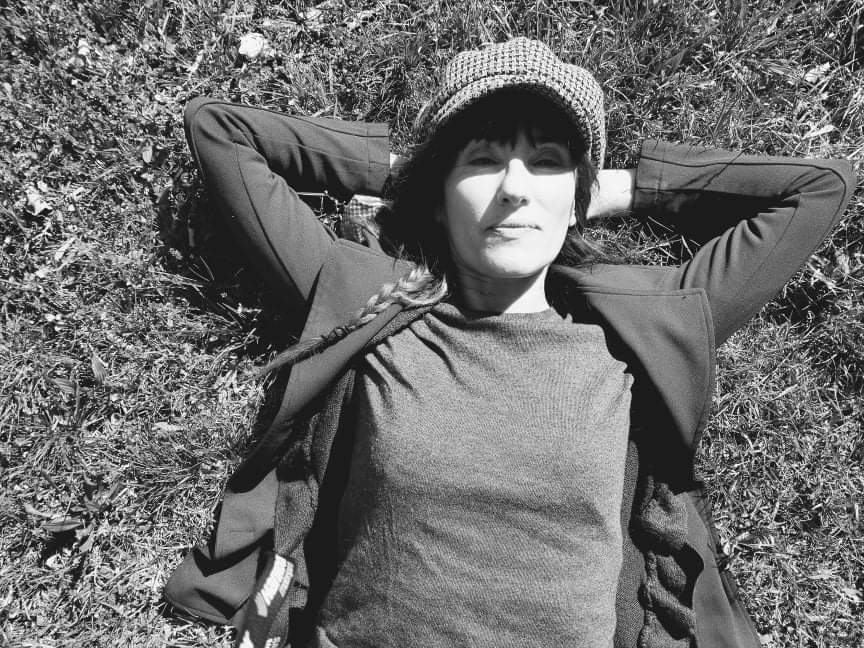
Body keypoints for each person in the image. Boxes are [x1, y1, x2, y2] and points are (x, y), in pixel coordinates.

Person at [163, 37, 855, 648]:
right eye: (484, 160)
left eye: (546, 162)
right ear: (439, 196)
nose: (515, 188)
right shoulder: (370, 310)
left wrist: (606, 187)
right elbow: (221, 131)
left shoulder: (637, 335)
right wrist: (417, 174)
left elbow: (820, 188)